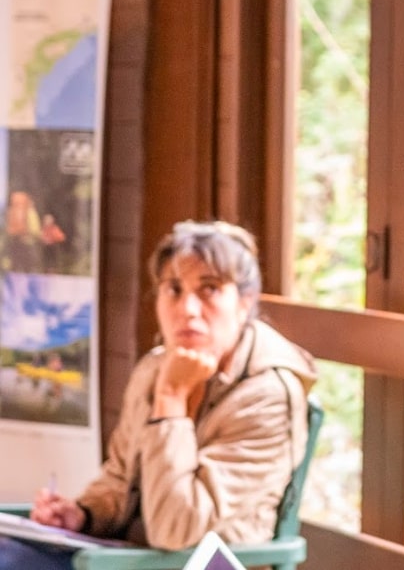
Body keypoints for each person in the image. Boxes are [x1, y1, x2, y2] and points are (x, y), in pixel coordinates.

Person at [0, 220, 317, 569]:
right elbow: (120, 477)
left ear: (245, 301)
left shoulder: (267, 395)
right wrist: (82, 515)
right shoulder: (156, 366)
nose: (187, 309)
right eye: (174, 289)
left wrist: (171, 400)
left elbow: (176, 529)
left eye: (209, 289)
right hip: (125, 555)